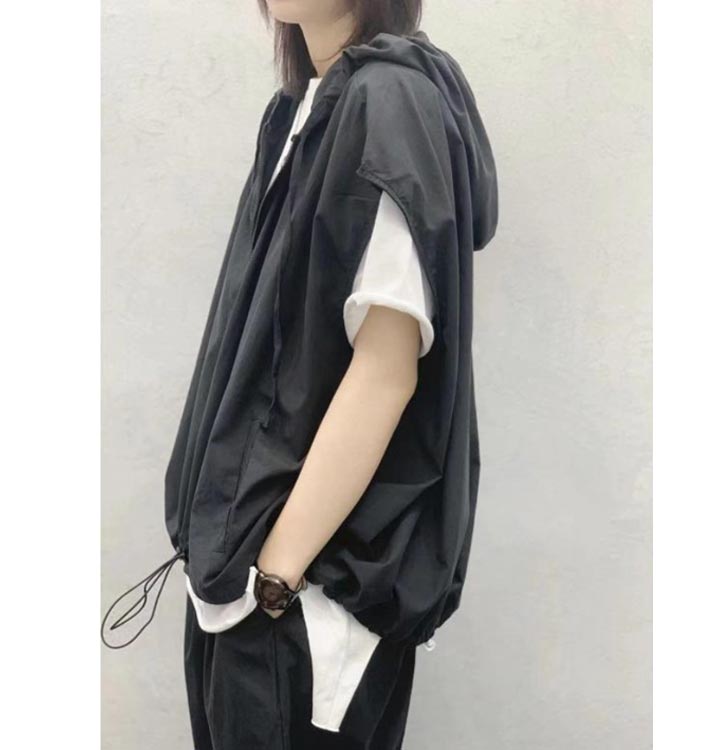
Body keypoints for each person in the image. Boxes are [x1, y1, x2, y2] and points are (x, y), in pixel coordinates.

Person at [101, 1, 499, 748]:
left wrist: (277, 574)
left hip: (303, 599)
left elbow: (387, 369)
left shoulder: (390, 101)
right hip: (239, 585)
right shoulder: (299, 107)